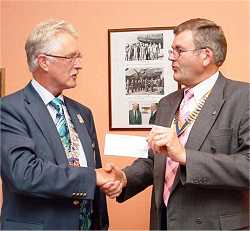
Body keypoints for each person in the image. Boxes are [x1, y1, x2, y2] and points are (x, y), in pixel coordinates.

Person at [102, 18, 250, 230]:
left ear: (206, 55)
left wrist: (185, 157)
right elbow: (155, 160)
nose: (171, 57)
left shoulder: (243, 97)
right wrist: (124, 178)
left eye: (179, 51)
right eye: (171, 51)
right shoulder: (167, 103)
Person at [0, 19, 120, 230]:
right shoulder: (10, 109)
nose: (79, 64)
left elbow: (95, 173)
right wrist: (93, 177)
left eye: (79, 56)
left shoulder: (82, 113)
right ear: (44, 61)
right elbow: (25, 173)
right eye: (71, 57)